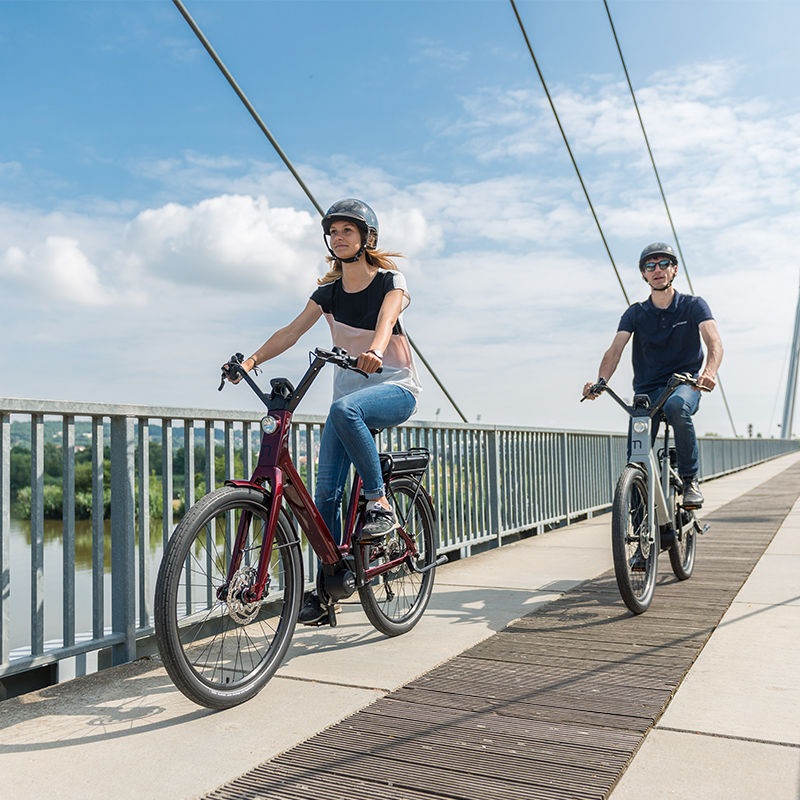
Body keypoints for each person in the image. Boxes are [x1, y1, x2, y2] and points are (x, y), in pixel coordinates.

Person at [229, 198, 422, 625]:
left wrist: (376, 350)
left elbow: (387, 318)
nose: (338, 238)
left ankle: (380, 504)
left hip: (395, 389)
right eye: (333, 232)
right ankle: (327, 590)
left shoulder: (390, 280)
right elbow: (291, 332)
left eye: (347, 230)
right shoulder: (328, 294)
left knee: (346, 410)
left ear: (367, 238)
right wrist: (250, 361)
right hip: (346, 408)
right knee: (324, 498)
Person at [582, 242, 724, 508]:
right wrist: (601, 382)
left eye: (663, 264)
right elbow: (615, 350)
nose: (657, 270)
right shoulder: (635, 313)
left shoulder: (694, 305)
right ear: (644, 274)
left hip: (684, 384)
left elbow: (714, 341)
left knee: (676, 406)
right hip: (647, 390)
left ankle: (690, 480)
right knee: (636, 457)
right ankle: (637, 516)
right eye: (650, 266)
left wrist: (709, 373)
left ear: (674, 270)